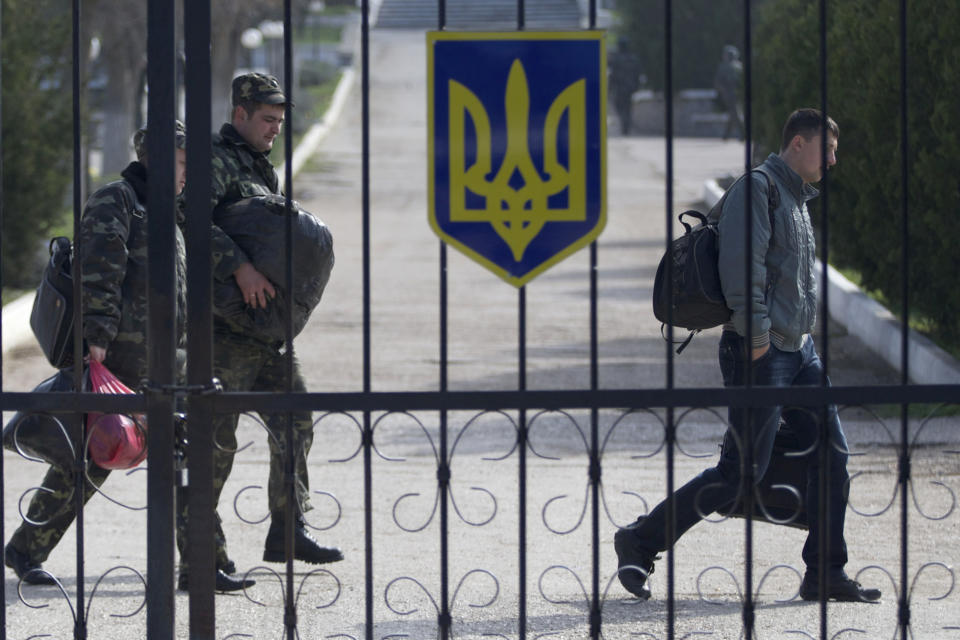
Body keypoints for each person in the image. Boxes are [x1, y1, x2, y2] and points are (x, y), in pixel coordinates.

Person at [615, 109, 882, 603]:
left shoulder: (798, 198)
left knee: (832, 455)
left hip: (801, 352)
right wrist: (759, 342)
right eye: (827, 148)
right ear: (798, 143)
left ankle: (825, 571)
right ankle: (639, 540)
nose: (833, 159)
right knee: (740, 471)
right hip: (759, 350)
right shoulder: (759, 189)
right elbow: (743, 272)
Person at [1, 122, 220, 586]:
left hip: (167, 361)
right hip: (121, 356)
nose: (187, 175)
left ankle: (200, 565)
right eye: (182, 164)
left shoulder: (164, 213)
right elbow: (99, 268)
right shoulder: (119, 199)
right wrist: (95, 337)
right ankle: (26, 548)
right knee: (92, 460)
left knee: (187, 453)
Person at [181, 72, 342, 577]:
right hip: (222, 331)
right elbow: (187, 220)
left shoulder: (257, 166)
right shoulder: (211, 159)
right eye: (267, 119)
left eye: (280, 121)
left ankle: (287, 531)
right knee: (214, 445)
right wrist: (239, 265)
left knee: (295, 419)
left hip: (262, 330)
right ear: (240, 115)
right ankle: (202, 561)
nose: (276, 129)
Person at [713, 45, 745, 141]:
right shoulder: (738, 66)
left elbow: (718, 82)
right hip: (733, 94)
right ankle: (735, 134)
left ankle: (736, 134)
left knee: (734, 114)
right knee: (734, 113)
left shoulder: (727, 66)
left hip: (731, 94)